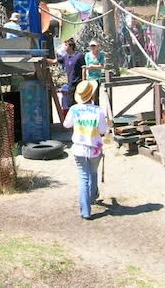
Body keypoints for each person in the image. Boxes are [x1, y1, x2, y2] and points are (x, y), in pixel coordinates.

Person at [63, 80, 107, 220]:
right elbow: (103, 130)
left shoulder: (74, 109)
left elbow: (66, 124)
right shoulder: (98, 110)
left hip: (79, 148)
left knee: (83, 177)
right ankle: (93, 196)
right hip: (95, 147)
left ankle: (86, 210)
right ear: (92, 94)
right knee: (93, 172)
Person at [47, 38, 85, 108]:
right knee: (71, 104)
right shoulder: (65, 57)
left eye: (66, 45)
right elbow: (54, 62)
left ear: (70, 46)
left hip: (79, 83)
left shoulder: (79, 56)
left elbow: (84, 68)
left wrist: (84, 82)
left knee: (80, 103)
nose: (64, 47)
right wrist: (44, 59)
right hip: (70, 84)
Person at [83, 39, 105, 105]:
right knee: (88, 95)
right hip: (89, 77)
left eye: (94, 46)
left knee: (96, 96)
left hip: (97, 78)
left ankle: (96, 109)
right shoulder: (87, 55)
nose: (92, 47)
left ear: (97, 46)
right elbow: (86, 66)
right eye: (91, 46)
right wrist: (84, 79)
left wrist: (92, 66)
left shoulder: (101, 55)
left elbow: (101, 66)